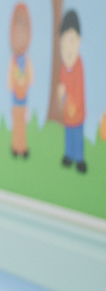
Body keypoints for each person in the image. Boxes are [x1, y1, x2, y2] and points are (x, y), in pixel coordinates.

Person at [57, 9, 86, 173]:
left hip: (78, 111)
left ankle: (79, 158)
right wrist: (61, 93)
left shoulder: (78, 66)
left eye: (71, 41)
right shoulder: (63, 69)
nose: (67, 50)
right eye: (64, 44)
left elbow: (77, 88)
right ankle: (69, 155)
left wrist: (72, 101)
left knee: (77, 135)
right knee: (69, 134)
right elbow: (62, 85)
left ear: (78, 41)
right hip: (68, 112)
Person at [8, 3, 34, 158]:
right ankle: (15, 146)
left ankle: (22, 147)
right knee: (16, 124)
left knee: (22, 125)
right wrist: (15, 82)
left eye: (24, 31)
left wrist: (25, 81)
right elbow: (10, 79)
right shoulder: (13, 61)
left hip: (23, 99)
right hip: (14, 99)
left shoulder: (26, 60)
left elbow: (30, 78)